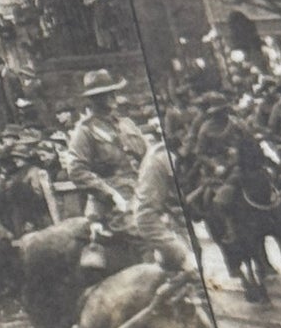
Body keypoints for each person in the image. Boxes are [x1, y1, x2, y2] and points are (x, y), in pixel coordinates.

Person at [66, 68, 146, 232]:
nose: (113, 97)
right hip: (112, 201)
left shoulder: (126, 124)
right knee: (141, 232)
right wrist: (109, 194)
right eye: (105, 94)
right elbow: (76, 170)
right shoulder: (85, 130)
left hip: (141, 190)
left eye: (113, 92)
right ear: (94, 99)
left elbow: (148, 155)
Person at [132, 136, 195, 273]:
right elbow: (144, 215)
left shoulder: (186, 156)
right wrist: (178, 250)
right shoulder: (159, 162)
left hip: (182, 229)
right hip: (170, 238)